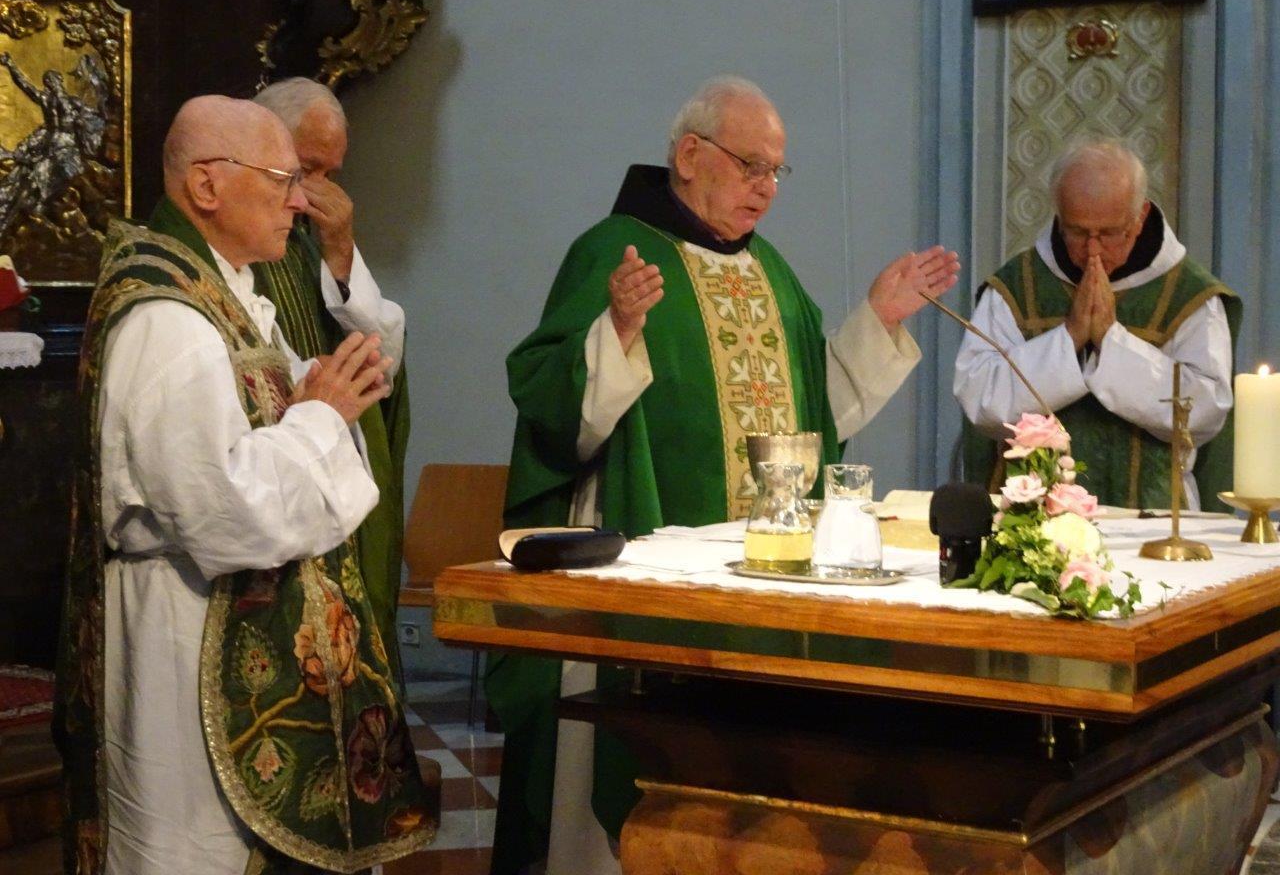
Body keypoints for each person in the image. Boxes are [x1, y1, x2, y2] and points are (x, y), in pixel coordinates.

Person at [489, 75, 959, 875]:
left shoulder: (772, 271)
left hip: (761, 577)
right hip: (642, 573)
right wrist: (618, 329)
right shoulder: (614, 252)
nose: (766, 188)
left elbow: (816, 421)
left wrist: (877, 319)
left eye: (777, 171)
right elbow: (555, 409)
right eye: (751, 166)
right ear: (688, 155)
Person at [54, 96, 433, 875]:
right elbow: (226, 513)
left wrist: (318, 395)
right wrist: (322, 414)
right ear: (206, 185)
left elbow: (271, 430)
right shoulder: (167, 320)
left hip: (221, 626)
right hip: (184, 635)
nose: (300, 200)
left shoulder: (221, 295)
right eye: (283, 178)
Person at [954, 139, 1240, 510]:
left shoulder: (1188, 294)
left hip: (1154, 516)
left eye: (1108, 233)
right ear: (1059, 216)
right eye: (1076, 232)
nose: (1092, 250)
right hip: (1032, 519)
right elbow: (980, 400)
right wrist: (1070, 336)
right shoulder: (1017, 286)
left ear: (1140, 217)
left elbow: (1205, 411)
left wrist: (1111, 341)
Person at [251, 77, 408, 663]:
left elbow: (383, 352)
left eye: (329, 173)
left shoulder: (312, 238)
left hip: (332, 448)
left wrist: (340, 249)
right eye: (305, 167)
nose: (313, 189)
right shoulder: (237, 236)